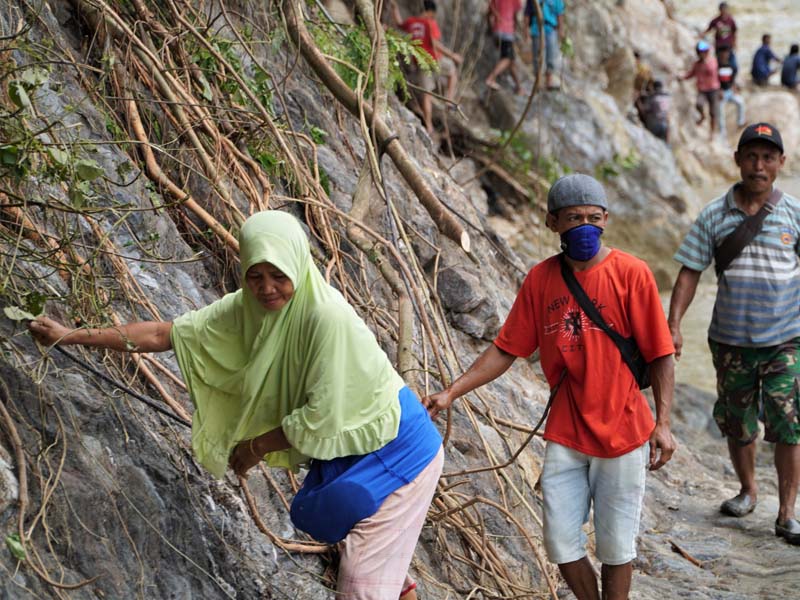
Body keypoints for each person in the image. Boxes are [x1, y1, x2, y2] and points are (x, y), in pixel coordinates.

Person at [28, 211, 444, 599]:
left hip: (400, 449)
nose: (267, 288)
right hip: (354, 450)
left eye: (279, 274)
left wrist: (254, 447)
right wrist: (72, 336)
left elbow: (322, 415)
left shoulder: (327, 319)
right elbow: (161, 335)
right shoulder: (246, 309)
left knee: (360, 581)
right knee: (368, 560)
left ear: (298, 265)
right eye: (255, 275)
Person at [424, 174, 677, 600]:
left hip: (624, 430)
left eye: (593, 218)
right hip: (566, 431)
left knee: (617, 547)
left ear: (606, 220)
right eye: (573, 218)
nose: (585, 227)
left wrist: (664, 423)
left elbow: (660, 353)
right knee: (560, 542)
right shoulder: (541, 280)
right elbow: (507, 349)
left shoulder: (632, 274)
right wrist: (452, 391)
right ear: (552, 222)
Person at [668, 123, 800, 546]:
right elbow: (690, 272)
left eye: (768, 157)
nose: (759, 165)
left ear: (781, 164)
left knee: (789, 424)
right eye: (752, 156)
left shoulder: (795, 214)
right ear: (738, 161)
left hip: (786, 339)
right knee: (737, 421)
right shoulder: (713, 214)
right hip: (730, 341)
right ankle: (747, 491)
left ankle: (786, 513)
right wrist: (673, 326)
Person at [390, 0, 463, 135]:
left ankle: (429, 126)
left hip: (420, 62)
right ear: (430, 12)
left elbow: (398, 23)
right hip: (433, 60)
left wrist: (394, 8)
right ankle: (450, 100)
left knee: (427, 95)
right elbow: (435, 43)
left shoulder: (412, 22)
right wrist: (452, 55)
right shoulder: (430, 23)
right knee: (452, 70)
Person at [682, 40, 721, 140]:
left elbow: (714, 72)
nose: (701, 54)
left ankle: (712, 133)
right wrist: (682, 77)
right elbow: (691, 74)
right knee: (698, 104)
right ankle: (702, 116)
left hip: (713, 89)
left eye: (703, 52)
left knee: (713, 112)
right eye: (700, 52)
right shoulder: (697, 64)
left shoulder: (713, 61)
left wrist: (721, 90)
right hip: (702, 89)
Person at [485, 0, 524, 94]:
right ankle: (490, 79)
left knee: (511, 61)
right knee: (507, 58)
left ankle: (518, 87)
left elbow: (489, 14)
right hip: (506, 31)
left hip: (497, 30)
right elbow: (515, 16)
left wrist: (490, 29)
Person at [524, 0, 565, 90]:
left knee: (551, 54)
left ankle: (548, 79)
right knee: (537, 55)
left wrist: (561, 30)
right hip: (536, 28)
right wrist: (526, 30)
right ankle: (538, 80)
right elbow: (527, 13)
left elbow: (560, 13)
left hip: (551, 29)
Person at [716, 45, 745, 136]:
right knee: (720, 111)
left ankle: (740, 122)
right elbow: (714, 80)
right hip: (721, 92)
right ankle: (722, 133)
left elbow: (731, 79)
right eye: (723, 53)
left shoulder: (730, 66)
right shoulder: (716, 66)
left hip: (729, 91)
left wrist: (734, 87)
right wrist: (719, 90)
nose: (725, 55)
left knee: (740, 102)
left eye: (726, 53)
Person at [704, 2, 738, 70]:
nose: (724, 11)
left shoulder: (731, 20)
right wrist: (701, 35)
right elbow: (709, 29)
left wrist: (735, 43)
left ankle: (731, 79)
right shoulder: (716, 20)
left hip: (728, 45)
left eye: (725, 9)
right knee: (719, 64)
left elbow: (734, 32)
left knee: (733, 65)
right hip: (719, 45)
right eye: (722, 9)